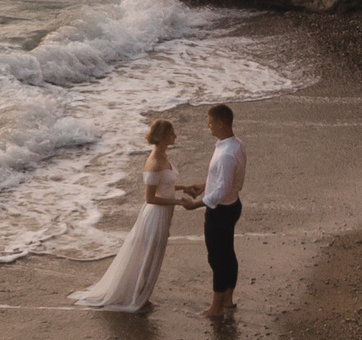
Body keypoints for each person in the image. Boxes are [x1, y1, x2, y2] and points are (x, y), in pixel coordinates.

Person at [70, 118, 180, 313]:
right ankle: (137, 298)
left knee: (152, 255)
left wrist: (184, 188)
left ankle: (140, 295)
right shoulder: (154, 161)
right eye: (172, 133)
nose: (175, 136)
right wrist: (179, 202)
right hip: (155, 215)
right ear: (163, 136)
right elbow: (150, 198)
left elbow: (166, 185)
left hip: (164, 214)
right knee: (147, 257)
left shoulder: (164, 155)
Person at [178, 103, 244, 319]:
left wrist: (195, 205)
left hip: (221, 212)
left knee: (217, 258)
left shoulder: (226, 153)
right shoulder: (235, 145)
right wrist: (203, 186)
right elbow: (225, 181)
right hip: (232, 205)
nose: (208, 126)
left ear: (221, 123)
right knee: (228, 254)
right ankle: (227, 300)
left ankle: (215, 308)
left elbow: (222, 190)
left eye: (210, 122)